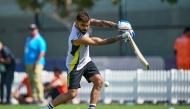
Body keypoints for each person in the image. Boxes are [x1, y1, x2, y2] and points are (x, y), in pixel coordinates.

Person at [41, 11, 134, 109]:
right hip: (74, 65)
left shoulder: (85, 23)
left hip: (86, 61)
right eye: (83, 25)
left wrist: (118, 26)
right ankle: (47, 108)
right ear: (77, 23)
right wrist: (121, 37)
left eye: (88, 25)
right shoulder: (76, 36)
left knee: (99, 82)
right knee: (72, 94)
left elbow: (101, 23)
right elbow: (99, 42)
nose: (86, 28)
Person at [24, 24, 47, 104]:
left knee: (36, 80)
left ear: (37, 30)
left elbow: (42, 52)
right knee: (31, 80)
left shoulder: (40, 39)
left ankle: (40, 98)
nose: (32, 31)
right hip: (28, 62)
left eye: (33, 29)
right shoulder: (28, 39)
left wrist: (36, 62)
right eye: (31, 29)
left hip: (37, 63)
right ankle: (34, 98)